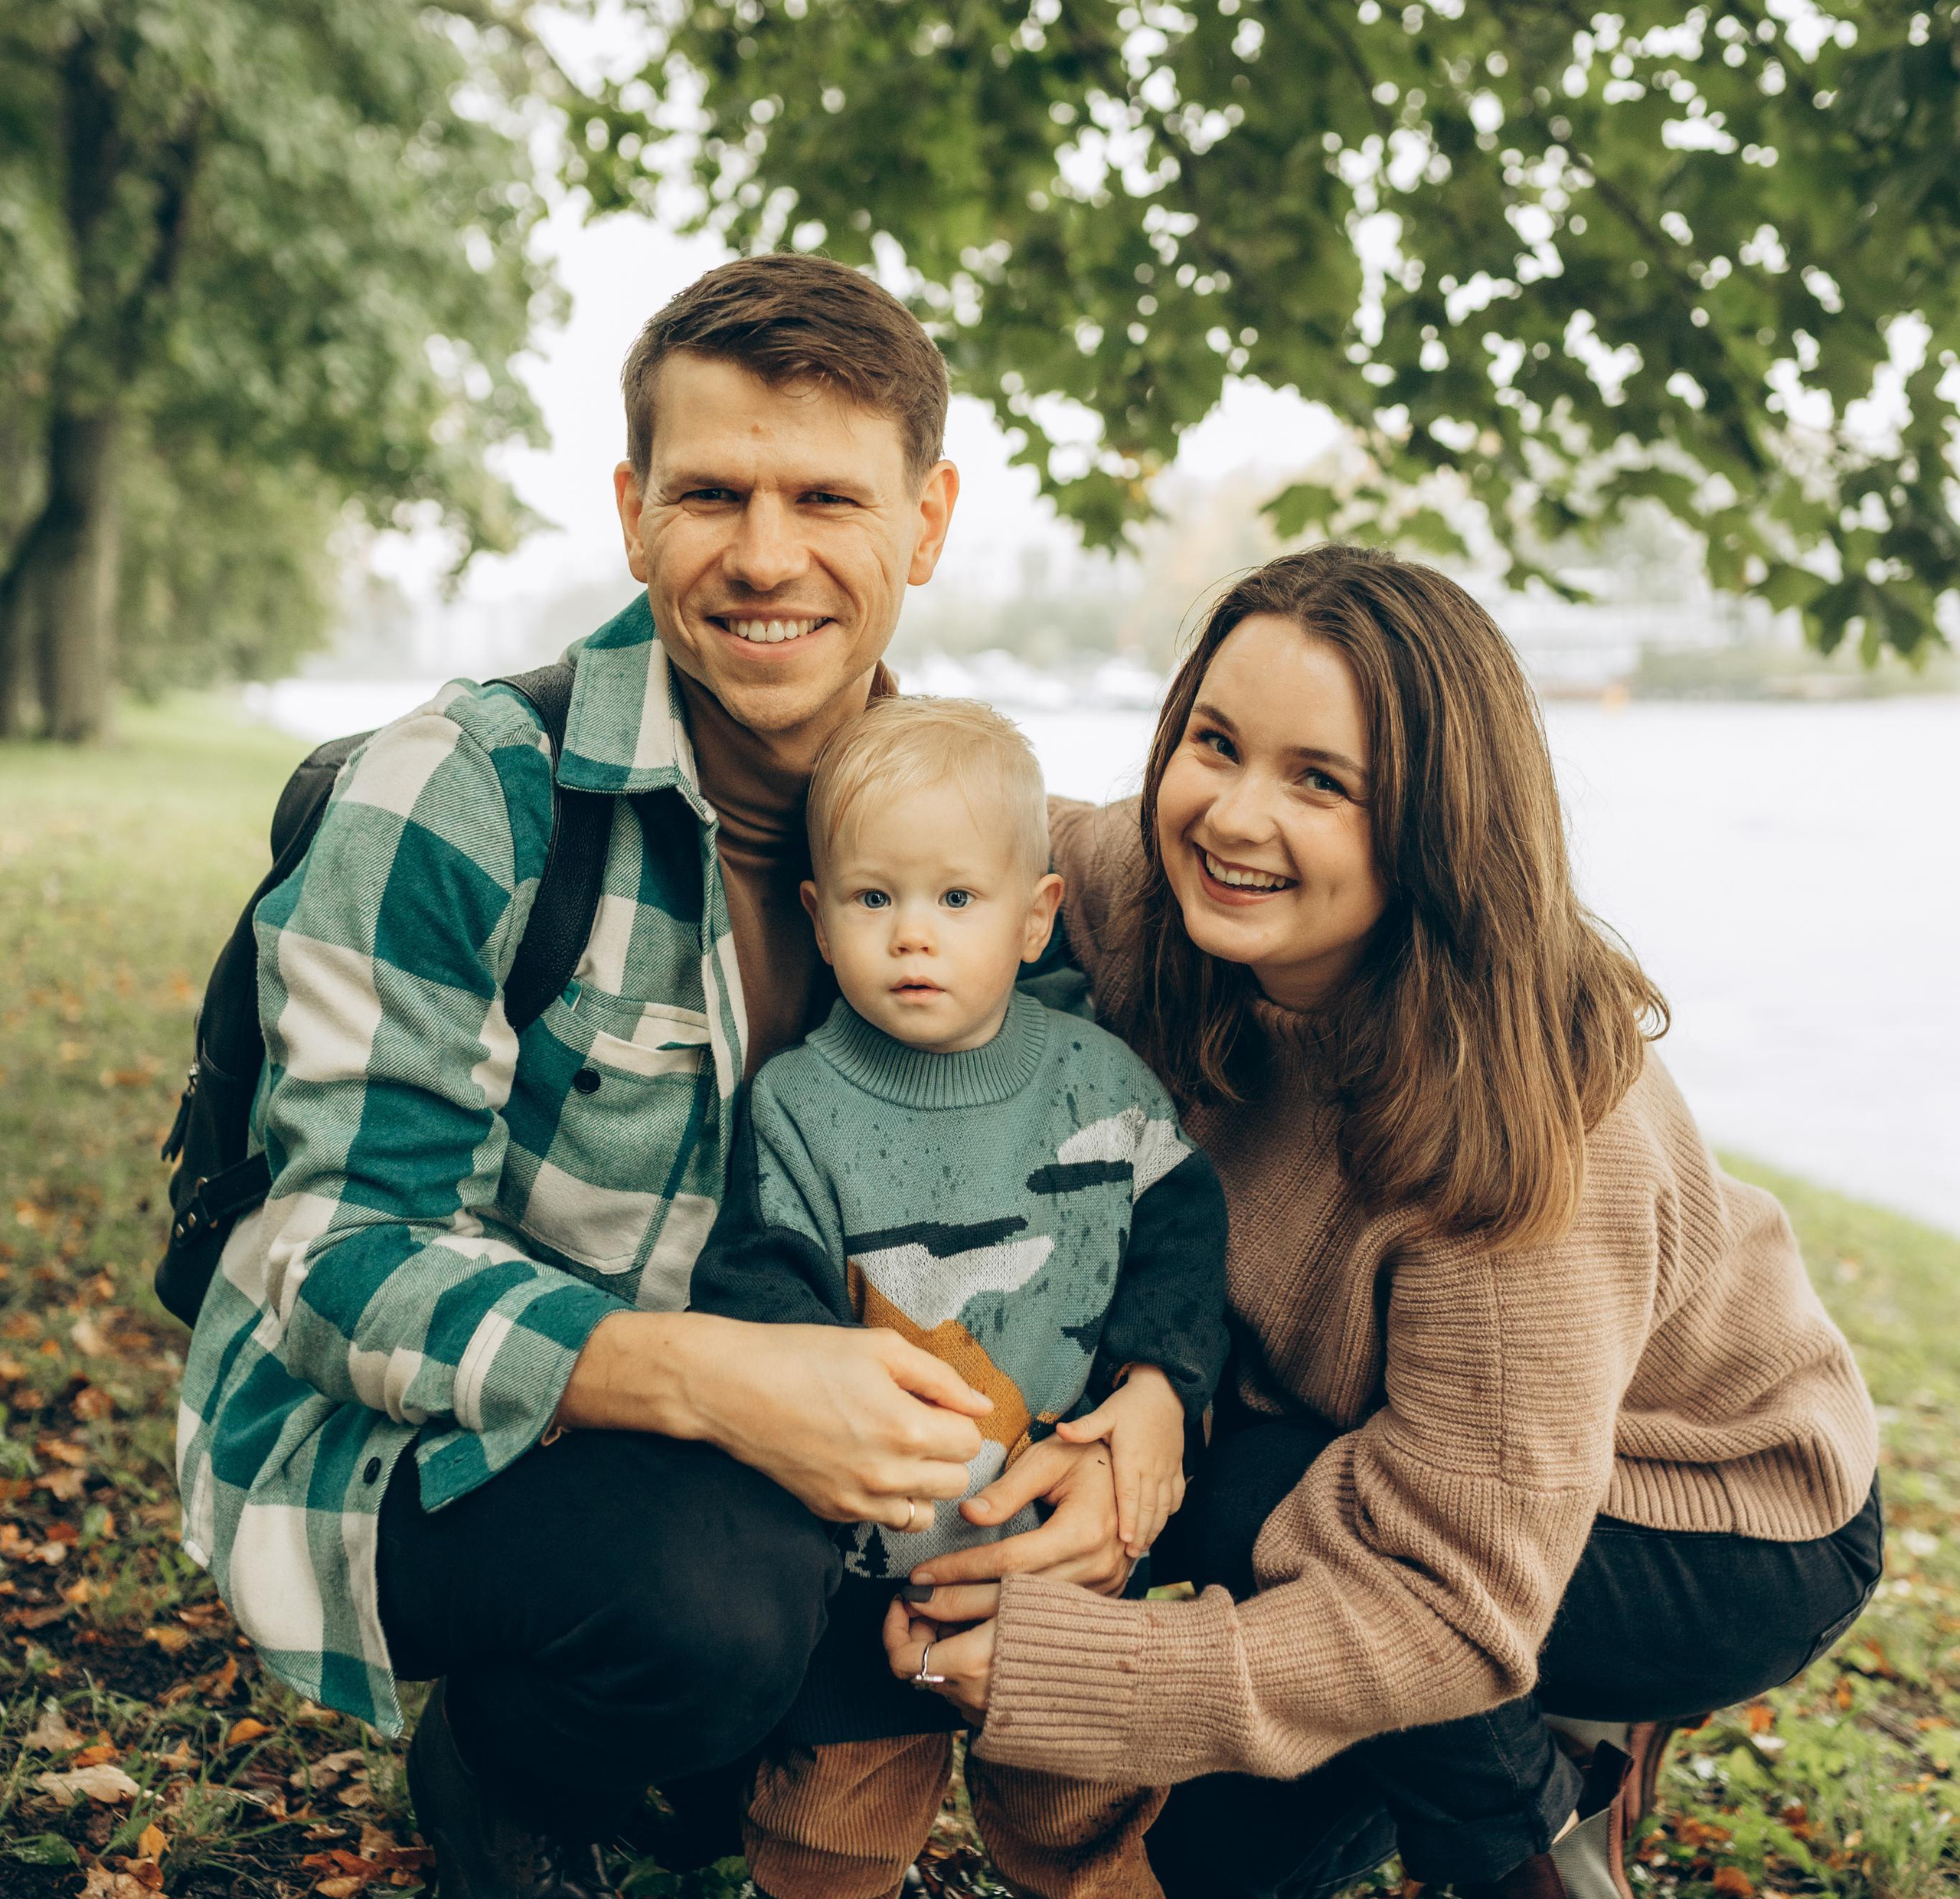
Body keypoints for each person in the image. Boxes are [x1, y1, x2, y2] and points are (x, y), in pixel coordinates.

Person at [171, 257, 1134, 1899]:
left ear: (926, 519)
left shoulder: (980, 847)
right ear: (633, 512)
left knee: (802, 1605)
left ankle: (701, 1733)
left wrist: (1140, 1421)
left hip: (783, 1447)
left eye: (827, 495)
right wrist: (715, 1378)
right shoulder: (461, 793)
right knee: (712, 1604)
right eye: (711, 493)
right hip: (409, 1442)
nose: (766, 556)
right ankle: (497, 1765)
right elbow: (327, 1260)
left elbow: (1071, 1176)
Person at [885, 546, 1884, 1899]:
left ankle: (1537, 1843)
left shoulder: (1526, 1124)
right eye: (1215, 744)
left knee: (1257, 1498)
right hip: (1380, 1441)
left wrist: (1085, 1678)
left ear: (1432, 823)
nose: (1236, 816)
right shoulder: (1143, 889)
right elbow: (943, 816)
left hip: (1712, 1516)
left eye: (1322, 781)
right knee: (1211, 1872)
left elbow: (1445, 1607)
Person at [690, 696, 1229, 1899]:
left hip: (1058, 1571)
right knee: (830, 1832)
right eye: (875, 901)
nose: (913, 938)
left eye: (956, 900)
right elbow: (758, 1290)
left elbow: (1183, 1245)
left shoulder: (1099, 1080)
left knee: (1081, 1825)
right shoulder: (797, 1107)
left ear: (1036, 918)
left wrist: (1159, 1384)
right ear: (820, 923)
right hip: (861, 1573)